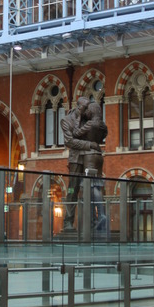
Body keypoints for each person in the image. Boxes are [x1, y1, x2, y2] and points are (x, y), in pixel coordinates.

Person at [60, 97, 101, 230]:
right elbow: (70, 142)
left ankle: (92, 221)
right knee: (73, 189)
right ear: (79, 107)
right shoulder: (66, 120)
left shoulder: (88, 118)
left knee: (91, 189)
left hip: (88, 157)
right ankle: (68, 222)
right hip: (76, 159)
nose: (87, 111)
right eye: (85, 108)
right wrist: (90, 145)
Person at [74, 100, 108, 231]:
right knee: (97, 184)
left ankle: (101, 215)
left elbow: (76, 133)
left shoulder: (90, 124)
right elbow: (103, 136)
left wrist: (79, 117)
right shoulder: (102, 126)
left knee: (91, 185)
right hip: (99, 155)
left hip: (89, 156)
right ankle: (97, 217)